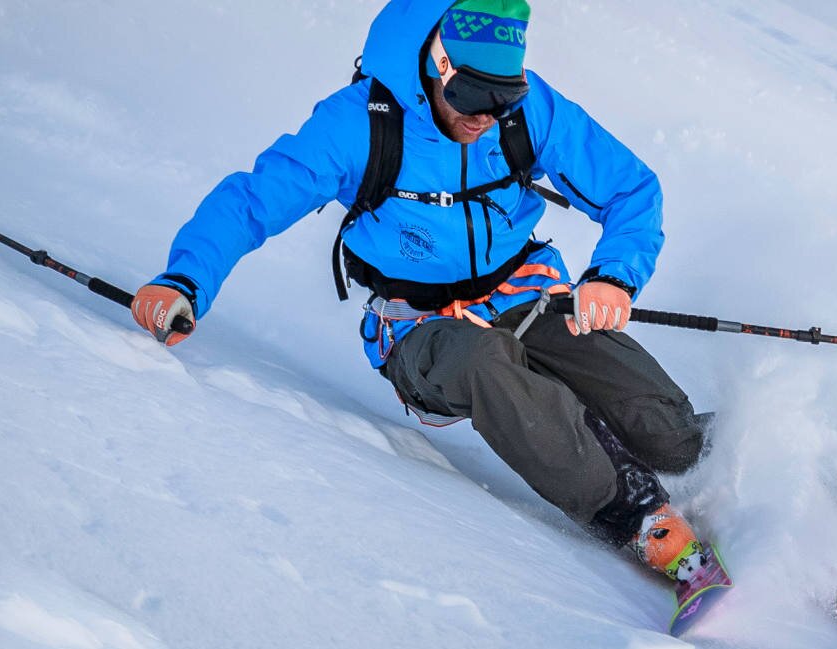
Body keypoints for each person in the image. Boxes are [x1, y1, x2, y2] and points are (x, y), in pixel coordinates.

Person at [129, 0, 711, 582]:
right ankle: (634, 515)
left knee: (670, 437)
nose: (487, 115)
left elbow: (631, 190)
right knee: (486, 362)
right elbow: (253, 202)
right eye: (473, 95)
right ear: (436, 71)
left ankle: (698, 473)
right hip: (421, 327)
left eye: (502, 96)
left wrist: (612, 275)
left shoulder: (528, 112)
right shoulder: (358, 125)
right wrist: (184, 279)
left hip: (526, 292)